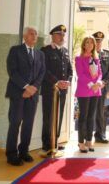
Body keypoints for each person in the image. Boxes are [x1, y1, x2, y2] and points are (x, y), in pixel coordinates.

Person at [5, 26, 45, 166]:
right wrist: (26, 87)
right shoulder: (15, 50)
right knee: (15, 123)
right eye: (31, 34)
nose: (34, 36)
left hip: (32, 95)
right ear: (24, 36)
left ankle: (24, 151)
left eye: (36, 34)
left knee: (28, 124)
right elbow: (12, 71)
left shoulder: (40, 54)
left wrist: (33, 88)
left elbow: (41, 73)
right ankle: (11, 154)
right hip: (18, 93)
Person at [39, 24, 73, 158]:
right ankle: (47, 144)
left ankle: (55, 141)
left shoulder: (65, 51)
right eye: (59, 34)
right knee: (48, 117)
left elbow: (70, 70)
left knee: (58, 116)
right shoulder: (45, 50)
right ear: (52, 36)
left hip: (62, 90)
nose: (62, 37)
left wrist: (68, 81)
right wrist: (56, 82)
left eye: (63, 35)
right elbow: (43, 70)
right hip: (50, 90)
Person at [75, 36, 103, 153]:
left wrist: (99, 83)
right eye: (87, 42)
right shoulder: (79, 58)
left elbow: (100, 74)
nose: (90, 44)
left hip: (95, 91)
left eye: (92, 43)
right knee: (83, 117)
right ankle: (81, 142)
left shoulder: (96, 59)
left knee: (91, 117)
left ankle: (89, 140)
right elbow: (81, 75)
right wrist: (92, 84)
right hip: (84, 91)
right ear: (84, 45)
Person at [92, 31, 109, 144]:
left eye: (100, 41)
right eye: (96, 41)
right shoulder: (89, 54)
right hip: (90, 87)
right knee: (89, 112)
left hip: (102, 87)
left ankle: (100, 135)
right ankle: (86, 136)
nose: (98, 43)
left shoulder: (107, 54)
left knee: (100, 112)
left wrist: (104, 82)